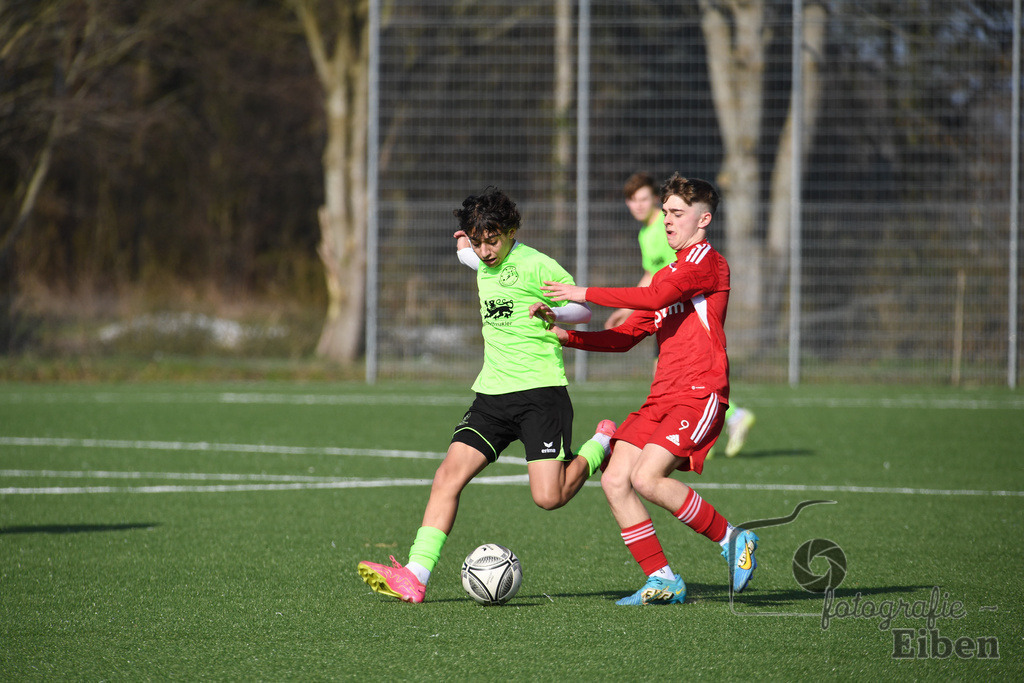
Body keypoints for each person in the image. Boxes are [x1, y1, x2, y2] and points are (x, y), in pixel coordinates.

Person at [357, 187, 616, 603]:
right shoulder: (477, 256)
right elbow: (466, 250)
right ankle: (415, 574)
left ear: (511, 230)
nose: (485, 250)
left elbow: (582, 311)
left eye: (492, 239)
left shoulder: (535, 264)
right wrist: (465, 239)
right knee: (447, 476)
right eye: (478, 241)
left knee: (549, 498)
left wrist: (555, 313)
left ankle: (601, 445)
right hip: (492, 396)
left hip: (540, 393)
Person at [539, 173, 758, 605]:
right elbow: (626, 335)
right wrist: (566, 336)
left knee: (646, 477)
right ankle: (662, 579)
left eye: (678, 213)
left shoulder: (707, 265)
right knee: (616, 478)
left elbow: (657, 298)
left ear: (704, 219)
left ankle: (734, 539)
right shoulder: (667, 273)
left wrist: (583, 291)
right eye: (666, 213)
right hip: (661, 397)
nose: (668, 221)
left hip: (700, 392)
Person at [609, 171, 755, 459]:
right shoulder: (646, 233)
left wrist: (590, 294)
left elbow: (672, 279)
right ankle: (690, 436)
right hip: (663, 312)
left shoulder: (665, 232)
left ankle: (719, 422)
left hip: (678, 315)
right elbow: (653, 275)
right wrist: (627, 309)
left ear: (653, 199)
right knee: (663, 377)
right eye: (631, 200)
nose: (637, 206)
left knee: (671, 377)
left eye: (642, 199)